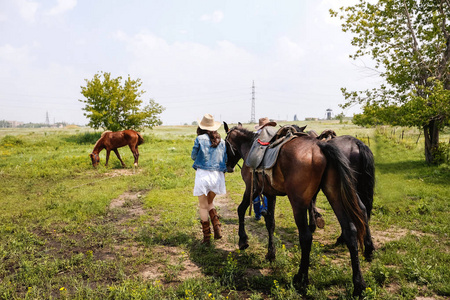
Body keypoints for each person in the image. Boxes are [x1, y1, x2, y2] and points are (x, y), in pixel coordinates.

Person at [191, 114, 227, 244]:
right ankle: (216, 227)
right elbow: (225, 159)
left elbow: (193, 156)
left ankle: (206, 238)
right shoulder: (222, 141)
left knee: (202, 206)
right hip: (217, 176)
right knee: (210, 202)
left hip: (203, 175)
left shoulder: (199, 139)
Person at [253, 117, 277, 220]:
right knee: (267, 188)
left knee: (256, 189)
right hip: (270, 163)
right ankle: (266, 208)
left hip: (257, 163)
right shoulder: (273, 134)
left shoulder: (257, 134)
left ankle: (257, 214)